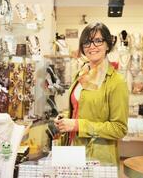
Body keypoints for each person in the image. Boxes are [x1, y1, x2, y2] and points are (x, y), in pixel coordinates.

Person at [54, 22, 129, 165]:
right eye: (87, 42)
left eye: (98, 40)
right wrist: (64, 118)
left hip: (96, 158)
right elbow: (79, 108)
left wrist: (78, 125)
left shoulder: (116, 82)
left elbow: (119, 129)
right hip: (71, 149)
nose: (92, 46)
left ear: (108, 44)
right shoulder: (82, 73)